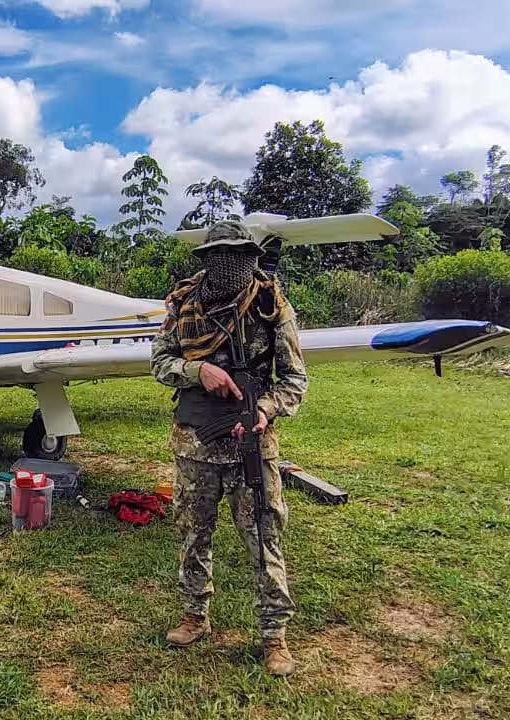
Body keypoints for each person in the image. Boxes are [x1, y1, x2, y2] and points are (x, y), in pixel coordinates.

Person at [150, 220, 309, 677]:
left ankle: (274, 636)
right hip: (195, 441)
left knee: (263, 537)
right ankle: (194, 616)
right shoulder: (184, 305)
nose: (227, 265)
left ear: (250, 257)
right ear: (206, 260)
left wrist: (266, 408)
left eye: (237, 255)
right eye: (217, 256)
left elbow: (295, 379)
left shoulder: (269, 305)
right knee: (192, 534)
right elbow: (159, 362)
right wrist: (196, 371)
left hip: (250, 442)